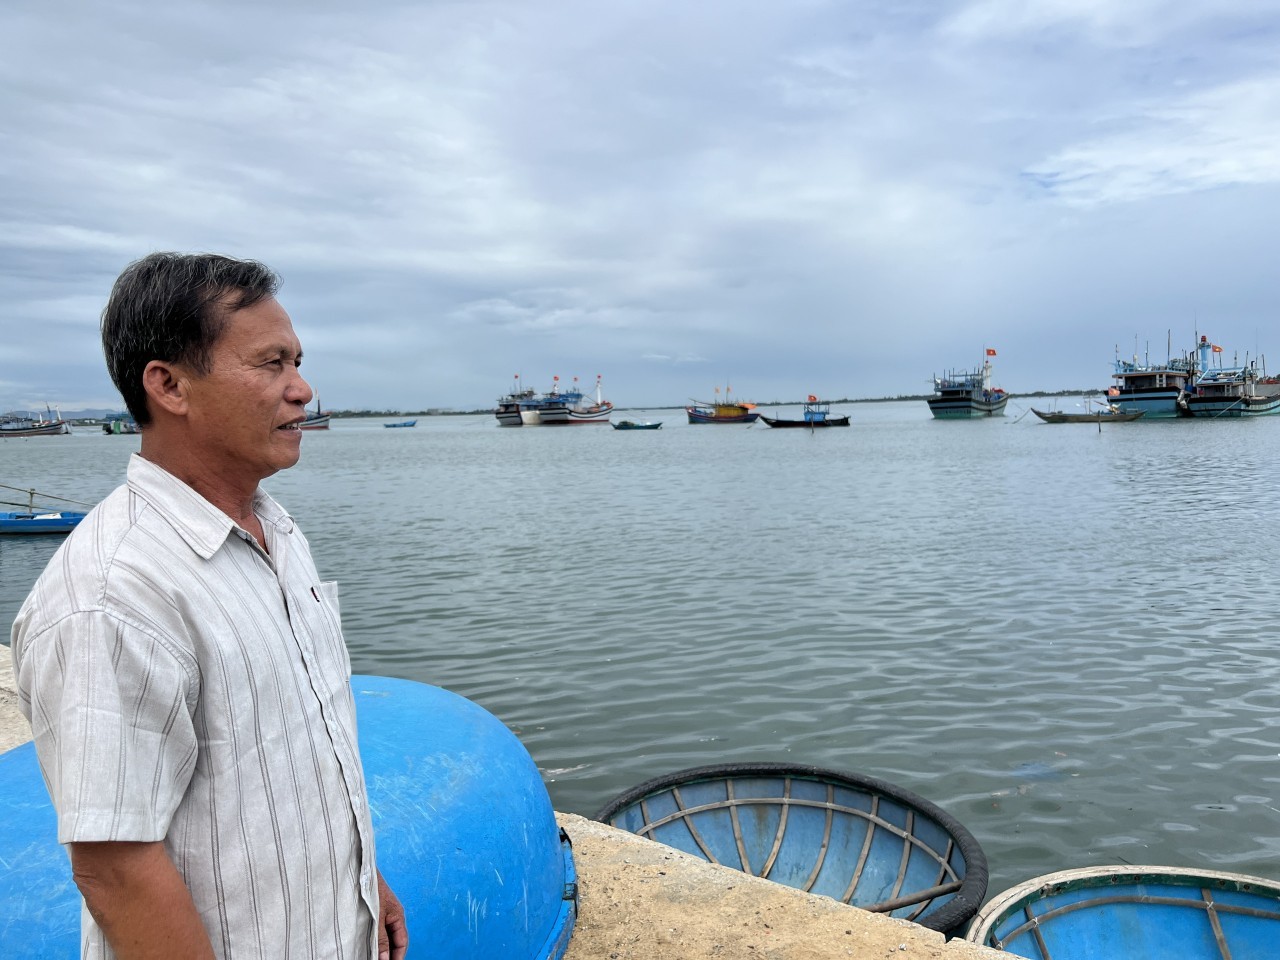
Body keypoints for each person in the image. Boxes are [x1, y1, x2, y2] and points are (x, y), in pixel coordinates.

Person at [10, 252, 408, 960]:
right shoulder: (113, 594)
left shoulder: (275, 530)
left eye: (298, 362)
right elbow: (114, 866)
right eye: (271, 364)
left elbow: (295, 752)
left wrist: (359, 882)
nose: (303, 389)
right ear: (169, 386)